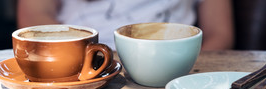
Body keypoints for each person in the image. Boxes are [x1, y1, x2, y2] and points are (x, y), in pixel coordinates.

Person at [17, 0, 234, 51]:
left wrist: (183, 67)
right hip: (81, 57)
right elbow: (33, 14)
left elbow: (220, 33)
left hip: (170, 63)